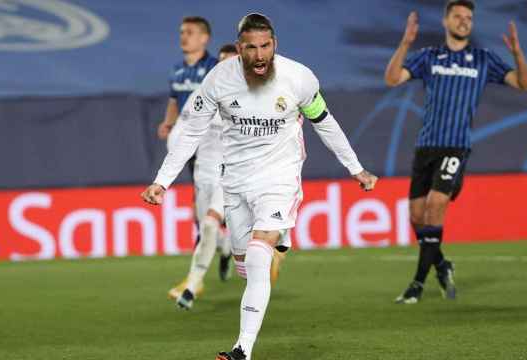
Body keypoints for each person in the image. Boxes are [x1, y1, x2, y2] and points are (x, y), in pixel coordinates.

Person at [142, 13, 378, 360]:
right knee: (244, 265)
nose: (259, 55)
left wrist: (355, 168)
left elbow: (325, 123)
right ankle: (278, 241)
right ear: (239, 49)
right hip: (235, 180)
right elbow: (191, 132)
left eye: (265, 46)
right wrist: (162, 181)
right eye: (251, 48)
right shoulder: (218, 80)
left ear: (274, 45)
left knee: (256, 257)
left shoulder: (298, 78)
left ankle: (242, 349)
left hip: (279, 177)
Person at [384, 0, 527, 304]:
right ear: (446, 21)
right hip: (426, 146)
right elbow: (392, 78)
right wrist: (405, 43)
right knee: (416, 216)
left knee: (436, 204)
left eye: (469, 18)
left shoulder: (483, 59)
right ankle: (441, 264)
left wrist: (517, 52)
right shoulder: (428, 56)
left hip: (456, 145)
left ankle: (416, 285)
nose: (464, 21)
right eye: (458, 16)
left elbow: (523, 84)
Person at [170, 44, 239, 310]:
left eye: (230, 62)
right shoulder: (203, 94)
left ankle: (191, 284)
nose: (224, 67)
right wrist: (175, 159)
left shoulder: (250, 98)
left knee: (209, 225)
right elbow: (181, 130)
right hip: (203, 174)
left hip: (230, 175)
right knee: (206, 227)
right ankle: (226, 249)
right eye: (220, 62)